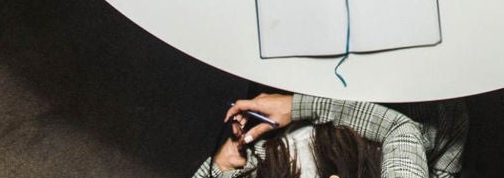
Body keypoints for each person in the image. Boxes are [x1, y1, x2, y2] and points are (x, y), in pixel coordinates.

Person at [196, 92, 468, 178]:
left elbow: (220, 167)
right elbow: (401, 128)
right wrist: (296, 105)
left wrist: (223, 165)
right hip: (413, 95)